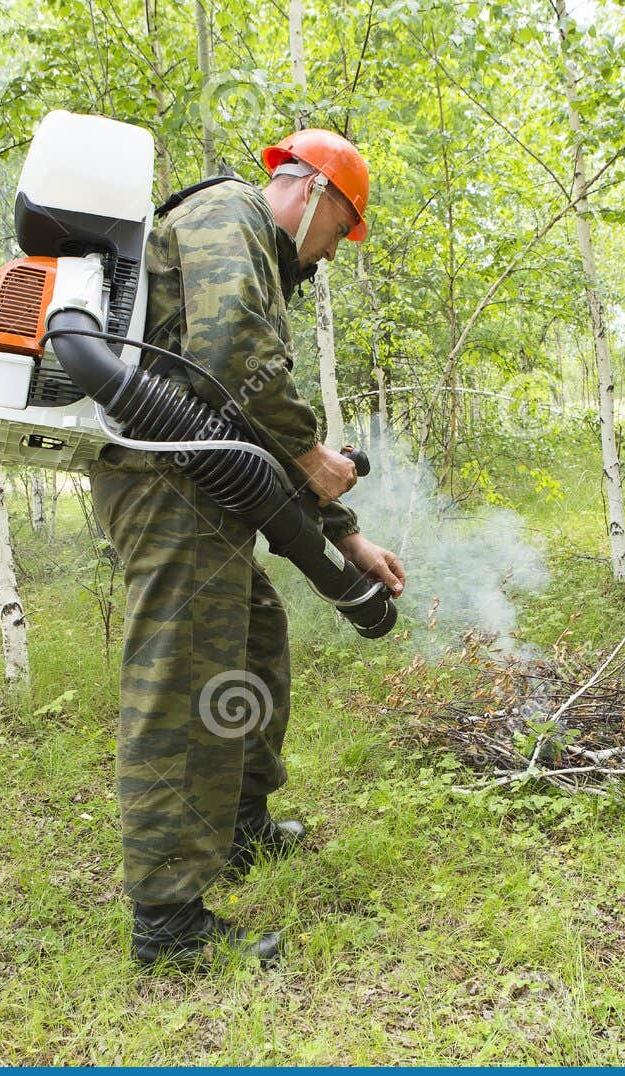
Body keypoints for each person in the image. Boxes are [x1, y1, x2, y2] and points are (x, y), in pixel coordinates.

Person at [89, 128, 406, 968]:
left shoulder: (257, 250)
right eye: (338, 232)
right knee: (184, 670)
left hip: (201, 479)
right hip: (161, 478)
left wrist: (347, 535)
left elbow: (243, 428)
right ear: (314, 193)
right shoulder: (229, 212)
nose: (329, 255)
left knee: (256, 631)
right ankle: (167, 920)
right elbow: (230, 353)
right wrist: (312, 452)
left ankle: (238, 824)